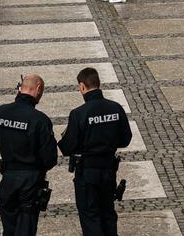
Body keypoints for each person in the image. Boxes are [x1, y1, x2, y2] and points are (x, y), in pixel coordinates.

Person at [57, 67, 133, 236]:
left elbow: (67, 147)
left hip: (87, 173)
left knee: (90, 218)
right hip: (108, 171)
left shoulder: (78, 113)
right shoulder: (115, 108)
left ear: (82, 86)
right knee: (108, 215)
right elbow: (126, 139)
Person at [0, 73, 57, 236]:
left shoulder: (2, 113)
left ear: (20, 89)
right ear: (38, 89)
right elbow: (50, 158)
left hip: (7, 180)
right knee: (26, 230)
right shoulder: (40, 120)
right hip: (30, 182)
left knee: (9, 229)